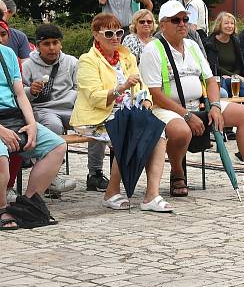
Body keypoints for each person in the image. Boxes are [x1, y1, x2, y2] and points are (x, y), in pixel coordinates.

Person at [139, 1, 244, 196]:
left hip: (200, 103)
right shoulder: (152, 49)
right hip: (167, 109)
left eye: (185, 19)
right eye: (176, 20)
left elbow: (210, 80)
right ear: (162, 24)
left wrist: (215, 106)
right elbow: (154, 92)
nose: (182, 24)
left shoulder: (192, 46)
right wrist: (187, 115)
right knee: (182, 131)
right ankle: (177, 173)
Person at [70, 13, 172, 212]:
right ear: (96, 35)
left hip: (126, 113)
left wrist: (146, 101)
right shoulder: (87, 60)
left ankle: (152, 194)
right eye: (109, 33)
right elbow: (94, 97)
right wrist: (122, 87)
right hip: (96, 117)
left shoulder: (127, 56)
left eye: (119, 32)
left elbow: (142, 85)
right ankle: (111, 191)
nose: (115, 37)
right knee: (128, 130)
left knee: (158, 131)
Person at [0, 35, 67, 230]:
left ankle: (28, 204)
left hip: (12, 117)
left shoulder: (7, 53)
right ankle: (2, 209)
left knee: (57, 145)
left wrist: (31, 124)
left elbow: (20, 94)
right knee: (1, 156)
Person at [22, 24, 82, 196]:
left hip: (70, 108)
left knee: (96, 125)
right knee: (53, 125)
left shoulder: (71, 62)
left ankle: (95, 172)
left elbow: (80, 88)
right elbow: (20, 94)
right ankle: (52, 176)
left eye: (55, 42)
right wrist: (31, 91)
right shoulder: (28, 65)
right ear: (38, 45)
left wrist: (73, 99)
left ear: (60, 44)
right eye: (46, 43)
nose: (52, 48)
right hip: (43, 110)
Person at [204, 12, 244, 98]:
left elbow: (239, 64)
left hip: (235, 78)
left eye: (232, 23)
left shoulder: (236, 41)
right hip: (219, 78)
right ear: (219, 25)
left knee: (243, 90)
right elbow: (214, 66)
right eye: (226, 23)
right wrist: (234, 76)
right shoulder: (210, 43)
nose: (230, 26)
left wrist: (235, 77)